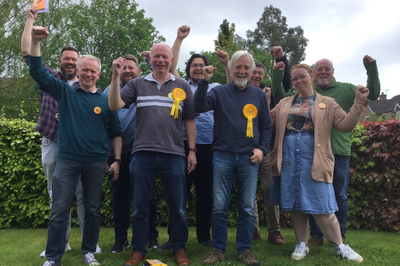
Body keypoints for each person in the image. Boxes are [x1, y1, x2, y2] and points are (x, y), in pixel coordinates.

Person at [28, 26, 122, 266]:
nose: (88, 74)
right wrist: (36, 42)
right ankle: (53, 258)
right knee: (59, 210)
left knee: (91, 210)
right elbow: (38, 72)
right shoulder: (64, 91)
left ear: (99, 74)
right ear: (77, 71)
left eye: (92, 71)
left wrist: (117, 160)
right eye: (84, 70)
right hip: (67, 160)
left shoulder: (106, 100)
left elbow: (115, 132)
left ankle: (89, 252)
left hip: (95, 162)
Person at [271, 53, 380, 246]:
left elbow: (349, 121)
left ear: (311, 76)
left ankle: (340, 242)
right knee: (301, 200)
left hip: (325, 154)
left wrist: (360, 100)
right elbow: (267, 118)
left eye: (302, 76)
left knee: (329, 200)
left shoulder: (335, 97)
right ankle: (308, 241)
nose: (298, 81)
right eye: (294, 78)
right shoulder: (287, 101)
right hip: (294, 156)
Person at [21, 5, 101, 257]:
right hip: (53, 141)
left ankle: (90, 244)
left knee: (83, 197)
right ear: (60, 61)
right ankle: (61, 242)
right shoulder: (52, 79)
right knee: (58, 196)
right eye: (66, 58)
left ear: (81, 66)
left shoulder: (88, 87)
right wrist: (30, 23)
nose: (70, 62)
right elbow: (28, 54)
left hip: (80, 148)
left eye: (74, 60)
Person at [108, 43, 197, 266]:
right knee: (139, 206)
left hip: (174, 154)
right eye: (156, 56)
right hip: (142, 154)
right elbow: (114, 105)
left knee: (178, 206)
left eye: (164, 57)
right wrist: (115, 76)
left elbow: (189, 120)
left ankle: (179, 248)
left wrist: (192, 151)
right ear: (150, 59)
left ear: (171, 60)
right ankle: (138, 250)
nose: (160, 60)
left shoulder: (182, 85)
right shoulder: (137, 84)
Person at [195, 51, 272, 266]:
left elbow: (266, 126)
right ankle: (217, 249)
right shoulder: (218, 91)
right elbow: (199, 107)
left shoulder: (258, 95)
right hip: (222, 156)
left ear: (251, 71)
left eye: (246, 67)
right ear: (230, 68)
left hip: (250, 158)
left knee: (247, 207)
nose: (242, 71)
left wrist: (262, 150)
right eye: (238, 66)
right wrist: (204, 82)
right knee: (219, 205)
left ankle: (244, 250)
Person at [159, 26, 232, 250]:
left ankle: (203, 236)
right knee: (178, 194)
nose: (198, 69)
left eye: (201, 65)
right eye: (194, 66)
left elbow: (232, 86)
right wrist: (179, 38)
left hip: (210, 146)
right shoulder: (180, 85)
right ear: (189, 69)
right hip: (182, 145)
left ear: (207, 68)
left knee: (205, 195)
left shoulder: (216, 87)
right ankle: (174, 238)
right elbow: (170, 65)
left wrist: (226, 64)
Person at [103, 54, 160, 253]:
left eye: (131, 68)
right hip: (117, 154)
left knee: (147, 197)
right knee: (119, 198)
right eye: (123, 67)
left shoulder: (145, 87)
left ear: (138, 71)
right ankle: (121, 239)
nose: (127, 70)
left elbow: (159, 74)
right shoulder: (110, 91)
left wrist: (149, 59)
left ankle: (151, 237)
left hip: (142, 153)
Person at [249, 46, 291, 245]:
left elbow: (285, 80)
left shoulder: (270, 93)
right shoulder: (238, 91)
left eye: (260, 73)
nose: (256, 76)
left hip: (266, 148)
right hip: (244, 149)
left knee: (269, 188)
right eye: (253, 72)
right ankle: (253, 229)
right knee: (247, 190)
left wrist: (281, 59)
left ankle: (274, 230)